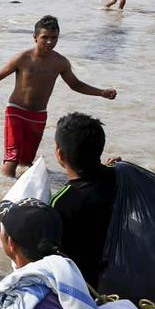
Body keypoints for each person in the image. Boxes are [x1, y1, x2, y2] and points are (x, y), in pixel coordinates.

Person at [0, 15, 117, 178]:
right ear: (35, 38)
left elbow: (75, 84)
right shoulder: (23, 58)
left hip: (39, 116)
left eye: (54, 38)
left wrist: (101, 92)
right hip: (16, 112)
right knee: (12, 158)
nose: (49, 42)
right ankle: (4, 193)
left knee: (26, 162)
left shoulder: (60, 62)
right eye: (44, 38)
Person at [48, 113, 117, 289]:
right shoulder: (119, 178)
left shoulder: (61, 202)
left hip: (86, 284)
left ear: (60, 154)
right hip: (117, 267)